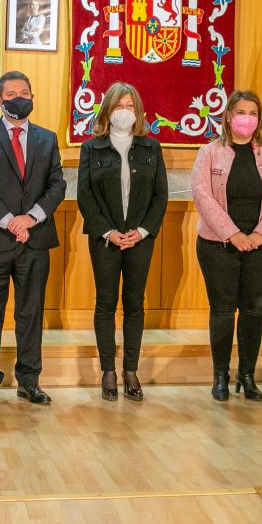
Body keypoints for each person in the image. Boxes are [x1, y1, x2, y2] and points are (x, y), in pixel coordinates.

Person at [0, 70, 66, 407]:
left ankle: (29, 380)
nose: (18, 97)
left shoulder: (47, 139)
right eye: (11, 93)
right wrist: (10, 222)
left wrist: (30, 218)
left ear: (33, 97)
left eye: (24, 91)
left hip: (35, 241)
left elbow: (57, 186)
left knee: (30, 314)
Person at [192, 90, 262, 402]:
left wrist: (260, 235)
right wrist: (232, 234)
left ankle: (247, 375)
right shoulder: (209, 152)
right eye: (240, 112)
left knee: (253, 311)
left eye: (252, 113)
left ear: (258, 119)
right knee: (222, 310)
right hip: (218, 245)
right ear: (228, 116)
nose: (246, 118)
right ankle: (220, 374)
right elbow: (203, 196)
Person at [77, 82, 167, 402]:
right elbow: (85, 197)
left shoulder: (151, 148)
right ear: (107, 111)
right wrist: (109, 232)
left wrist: (141, 232)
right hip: (105, 240)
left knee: (134, 304)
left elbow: (160, 196)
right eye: (118, 106)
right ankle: (108, 371)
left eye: (130, 106)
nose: (124, 112)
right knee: (105, 304)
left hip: (140, 239)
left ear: (138, 111)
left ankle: (130, 369)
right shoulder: (92, 148)